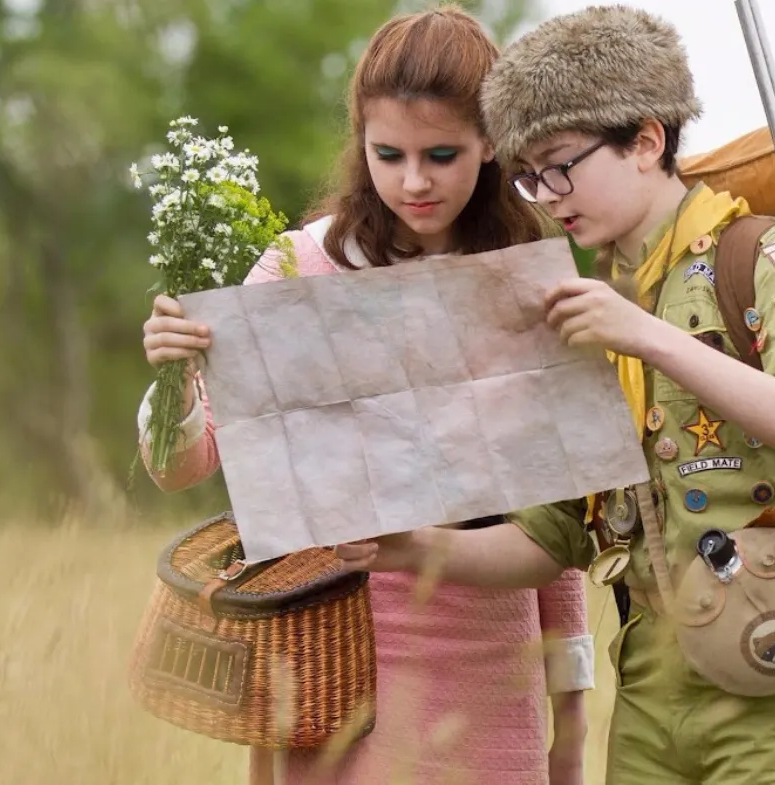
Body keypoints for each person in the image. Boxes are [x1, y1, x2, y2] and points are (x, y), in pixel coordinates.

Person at [337, 5, 775, 784]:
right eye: (528, 175)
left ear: (647, 140)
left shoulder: (758, 254)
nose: (548, 195)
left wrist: (647, 336)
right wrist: (410, 550)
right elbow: (552, 538)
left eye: (562, 166)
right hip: (654, 679)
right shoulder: (587, 307)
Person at [135, 7, 592, 785]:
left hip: (486, 656)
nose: (413, 181)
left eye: (440, 154)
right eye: (389, 154)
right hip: (323, 657)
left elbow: (556, 529)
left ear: (490, 142)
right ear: (361, 141)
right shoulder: (299, 266)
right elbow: (182, 464)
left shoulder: (528, 276)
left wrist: (571, 724)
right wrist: (175, 377)